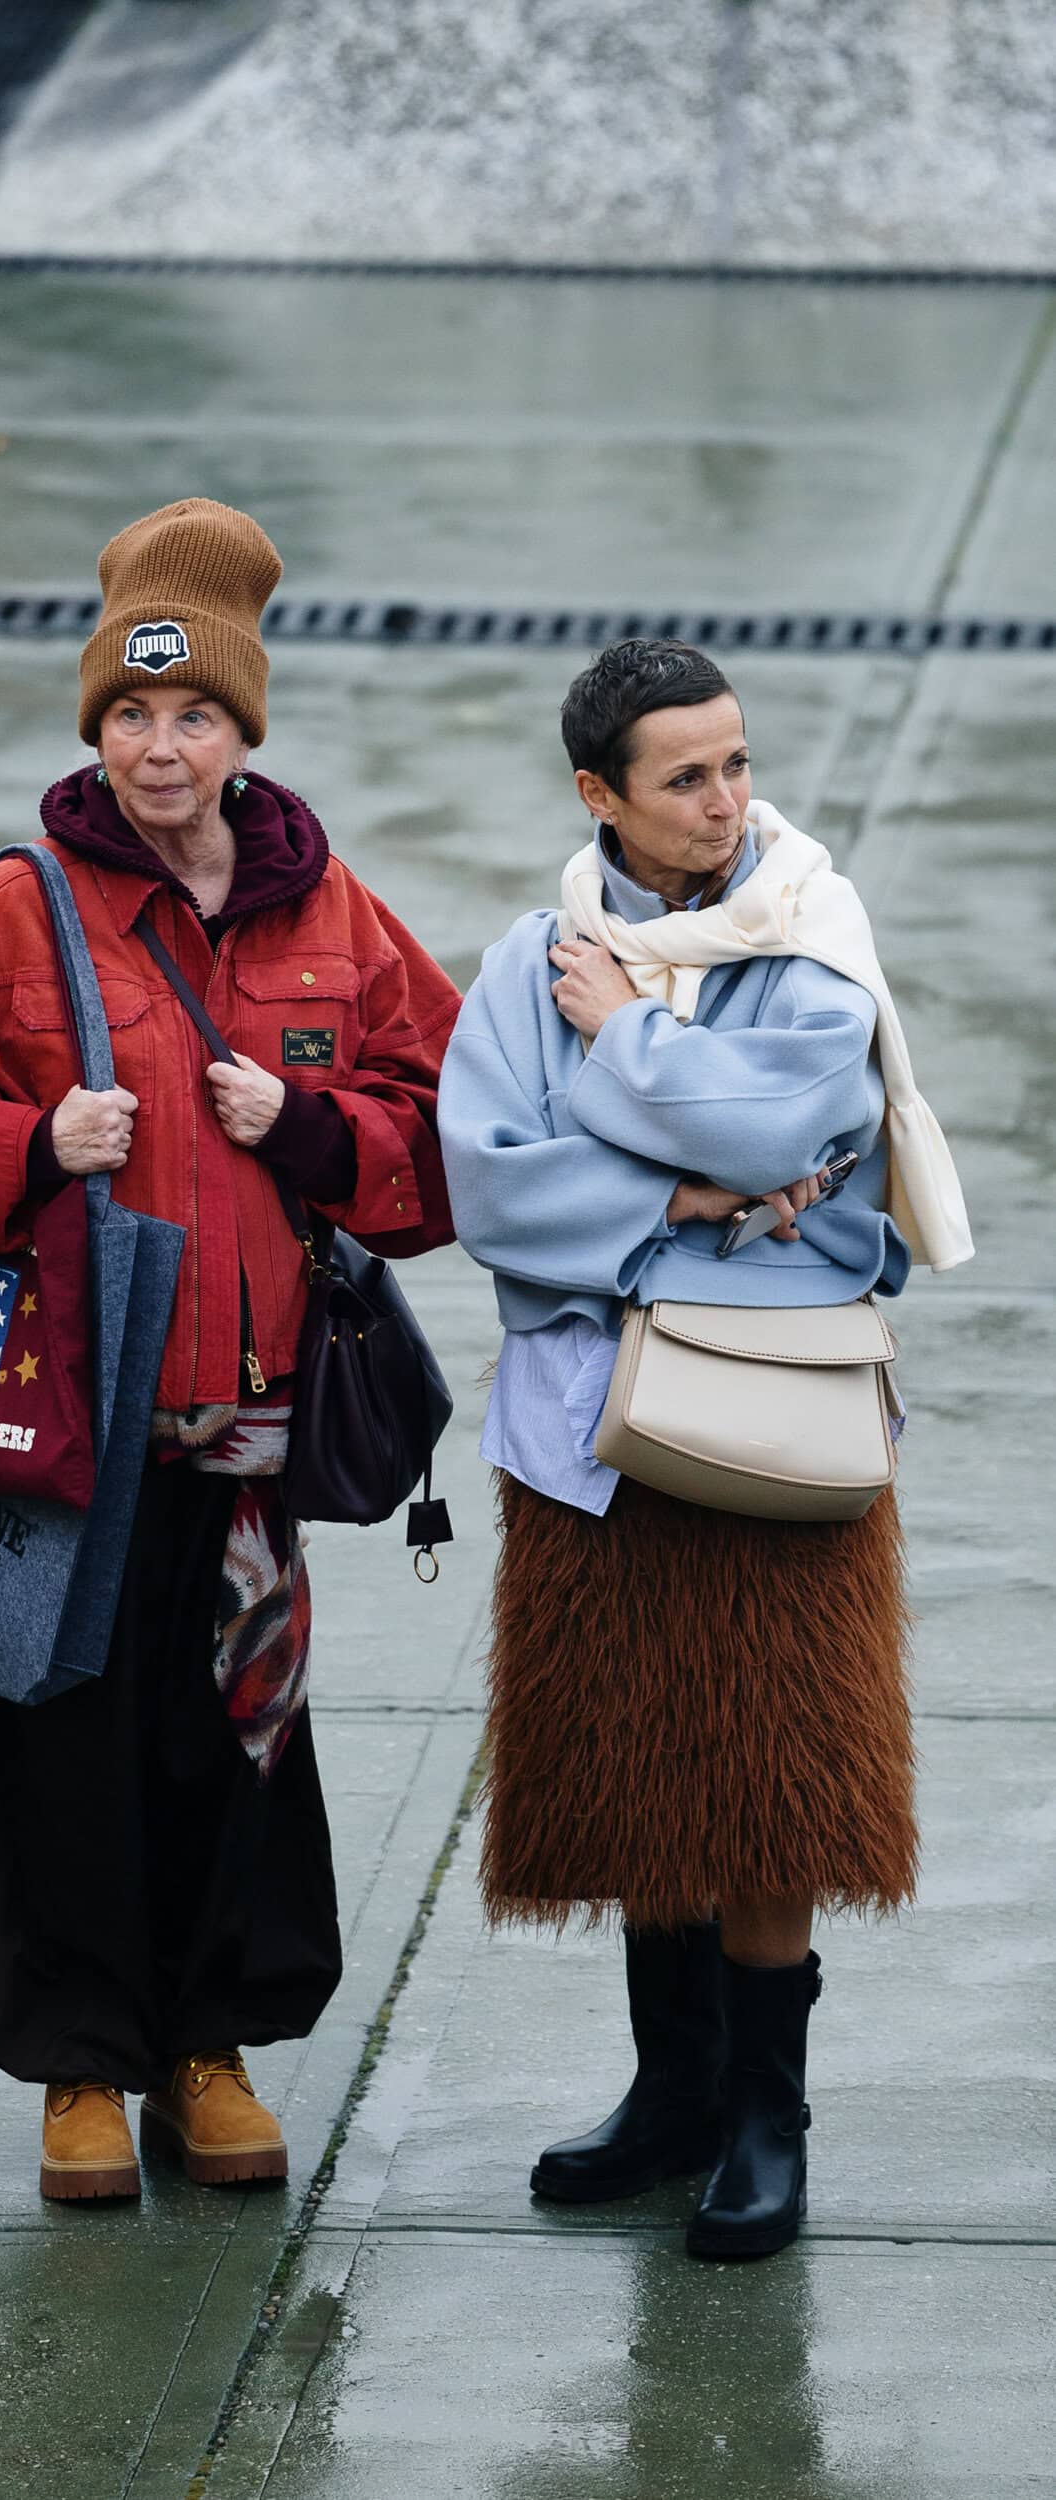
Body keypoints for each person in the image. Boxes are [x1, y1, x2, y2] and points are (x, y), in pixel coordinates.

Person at [0, 498, 460, 2203]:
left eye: (196, 716)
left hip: (239, 1432)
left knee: (229, 1736)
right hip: (56, 1437)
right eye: (132, 713)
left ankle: (205, 2051)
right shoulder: (9, 916)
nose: (161, 748)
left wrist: (308, 1131)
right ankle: (79, 2070)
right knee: (53, 1752)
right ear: (95, 725)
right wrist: (30, 1145)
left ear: (247, 731)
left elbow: (452, 1127)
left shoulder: (336, 920)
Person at [439, 638, 971, 2260]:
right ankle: (673, 2091)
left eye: (737, 762)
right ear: (599, 794)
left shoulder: (810, 930)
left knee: (777, 1770)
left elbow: (785, 1126)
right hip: (593, 1430)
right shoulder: (529, 956)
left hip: (773, 1417)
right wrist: (686, 1195)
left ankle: (764, 2120)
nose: (728, 801)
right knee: (641, 1761)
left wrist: (622, 1049)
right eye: (686, 777)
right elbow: (493, 1184)